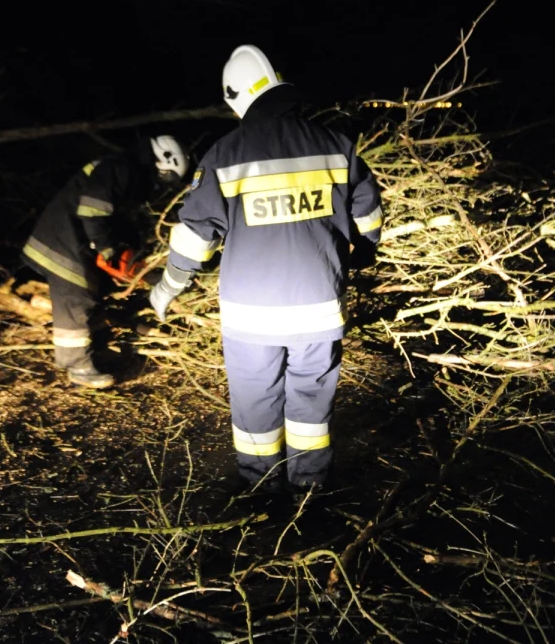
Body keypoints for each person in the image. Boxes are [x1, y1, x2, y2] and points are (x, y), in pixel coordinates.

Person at [149, 45, 383, 492]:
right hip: (319, 310)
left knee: (256, 405)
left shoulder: (224, 155)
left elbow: (196, 235)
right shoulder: (336, 146)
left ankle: (261, 491)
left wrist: (168, 285)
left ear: (235, 97)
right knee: (311, 407)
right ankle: (309, 490)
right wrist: (363, 253)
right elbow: (368, 215)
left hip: (249, 316)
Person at [23, 135, 189, 388]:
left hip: (73, 239)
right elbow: (92, 211)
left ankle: (95, 349)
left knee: (94, 292)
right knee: (75, 296)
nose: (160, 184)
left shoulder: (126, 174)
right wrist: (107, 248)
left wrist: (129, 258)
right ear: (160, 162)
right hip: (62, 239)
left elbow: (114, 221)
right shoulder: (120, 167)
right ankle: (77, 366)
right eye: (164, 177)